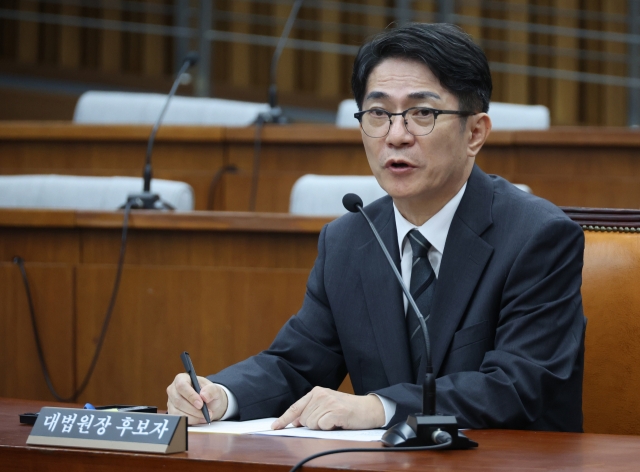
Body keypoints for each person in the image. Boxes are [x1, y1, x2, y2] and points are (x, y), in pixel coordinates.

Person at [167, 23, 585, 432]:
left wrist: (381, 408)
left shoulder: (537, 236)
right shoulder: (349, 240)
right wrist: (220, 395)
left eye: (422, 113)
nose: (396, 135)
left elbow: (516, 385)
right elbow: (297, 363)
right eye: (378, 113)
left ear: (475, 132)